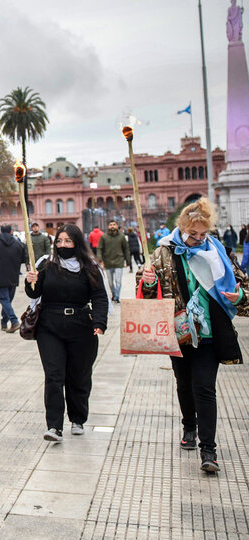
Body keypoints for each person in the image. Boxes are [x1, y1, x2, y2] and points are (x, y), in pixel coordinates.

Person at [138, 198, 249, 474]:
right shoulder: (164, 253)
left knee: (204, 388)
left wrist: (240, 296)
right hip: (179, 332)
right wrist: (148, 281)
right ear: (182, 229)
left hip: (210, 334)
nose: (198, 240)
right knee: (184, 384)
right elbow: (146, 296)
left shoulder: (219, 252)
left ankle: (208, 449)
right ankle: (189, 424)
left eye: (203, 235)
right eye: (192, 235)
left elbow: (243, 287)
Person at [25, 224, 108, 442]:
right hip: (50, 326)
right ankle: (54, 426)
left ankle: (78, 418)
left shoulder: (90, 267)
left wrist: (99, 321)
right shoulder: (46, 264)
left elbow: (99, 296)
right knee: (54, 376)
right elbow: (34, 292)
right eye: (60, 241)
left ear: (77, 244)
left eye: (68, 241)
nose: (63, 245)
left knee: (78, 375)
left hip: (81, 326)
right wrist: (30, 281)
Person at [0, 225, 27, 333]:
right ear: (11, 231)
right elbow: (24, 259)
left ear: (1, 231)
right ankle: (4, 322)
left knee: (4, 300)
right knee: (7, 300)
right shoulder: (19, 245)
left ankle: (14, 321)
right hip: (13, 275)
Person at [97, 221, 131, 303]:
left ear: (117, 225)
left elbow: (126, 249)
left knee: (118, 281)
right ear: (108, 226)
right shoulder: (104, 237)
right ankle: (113, 294)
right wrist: (100, 259)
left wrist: (128, 260)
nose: (112, 226)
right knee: (110, 283)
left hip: (119, 261)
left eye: (114, 224)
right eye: (110, 225)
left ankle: (116, 296)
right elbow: (99, 248)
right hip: (108, 262)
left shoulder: (122, 237)